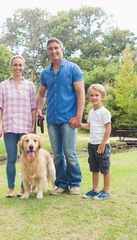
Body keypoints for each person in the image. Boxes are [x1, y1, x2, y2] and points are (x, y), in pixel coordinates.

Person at [36, 37, 85, 195]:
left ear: (62, 49)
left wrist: (78, 116)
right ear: (47, 52)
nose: (54, 51)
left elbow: (80, 92)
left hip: (69, 119)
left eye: (56, 48)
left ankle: (75, 183)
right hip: (52, 119)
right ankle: (62, 184)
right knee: (57, 155)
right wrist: (38, 110)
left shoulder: (73, 69)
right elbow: (42, 94)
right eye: (50, 48)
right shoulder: (45, 73)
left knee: (69, 152)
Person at [0, 55, 37, 198]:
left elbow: (33, 107)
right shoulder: (3, 85)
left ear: (24, 67)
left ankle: (23, 189)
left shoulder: (30, 86)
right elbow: (0, 107)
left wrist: (32, 126)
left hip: (25, 128)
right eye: (15, 65)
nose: (18, 67)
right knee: (11, 158)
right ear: (11, 66)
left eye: (20, 65)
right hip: (9, 126)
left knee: (26, 159)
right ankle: (11, 189)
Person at [80, 84, 112, 200]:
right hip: (92, 144)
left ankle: (106, 191)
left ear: (102, 97)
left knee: (105, 168)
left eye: (96, 95)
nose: (94, 97)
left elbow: (108, 128)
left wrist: (103, 144)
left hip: (102, 145)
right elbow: (90, 126)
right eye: (91, 95)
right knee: (94, 169)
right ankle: (95, 190)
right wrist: (78, 124)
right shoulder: (91, 112)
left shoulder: (104, 112)